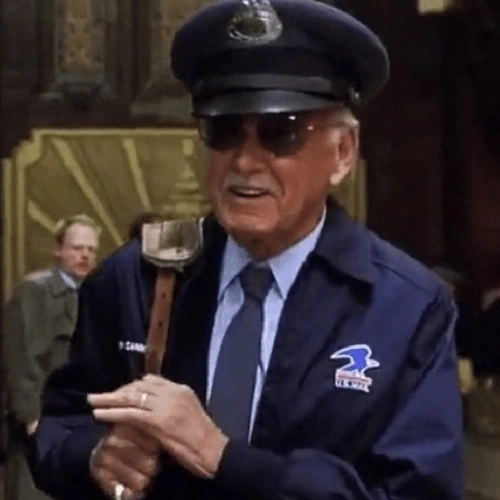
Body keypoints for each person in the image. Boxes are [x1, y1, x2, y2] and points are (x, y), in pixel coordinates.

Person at [31, 1, 464, 499]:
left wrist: (223, 457)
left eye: (281, 133)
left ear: (343, 153)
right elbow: (59, 427)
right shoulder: (137, 277)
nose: (244, 161)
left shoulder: (405, 309)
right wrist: (95, 457)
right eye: (224, 130)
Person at [2, 214, 100, 500]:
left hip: (75, 424)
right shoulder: (35, 290)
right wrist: (32, 418)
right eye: (77, 248)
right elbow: (20, 359)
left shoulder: (93, 294)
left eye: (91, 250)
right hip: (35, 424)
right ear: (59, 250)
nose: (85, 256)